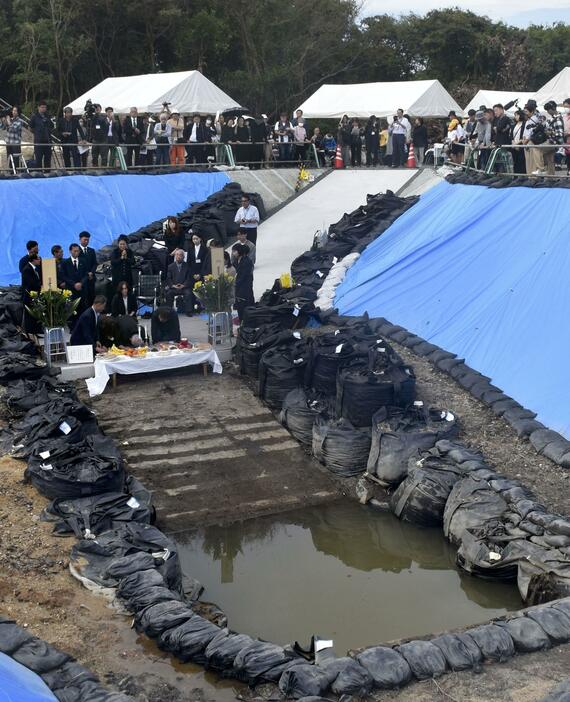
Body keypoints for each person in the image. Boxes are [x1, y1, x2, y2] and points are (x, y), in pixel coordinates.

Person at [61, 243, 88, 328]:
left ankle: (83, 326)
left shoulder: (83, 261)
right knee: (72, 309)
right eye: (75, 251)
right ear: (70, 251)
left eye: (78, 251)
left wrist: (81, 283)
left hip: (82, 290)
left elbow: (86, 274)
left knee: (82, 308)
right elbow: (63, 276)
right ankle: (73, 327)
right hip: (71, 290)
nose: (77, 252)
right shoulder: (66, 262)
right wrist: (73, 284)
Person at [165, 249, 193, 315]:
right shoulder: (170, 266)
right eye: (177, 255)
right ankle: (169, 311)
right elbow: (168, 278)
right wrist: (173, 285)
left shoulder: (187, 266)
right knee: (168, 293)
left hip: (184, 287)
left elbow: (189, 278)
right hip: (174, 287)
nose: (178, 256)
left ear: (183, 257)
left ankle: (188, 311)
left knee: (188, 293)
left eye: (180, 255)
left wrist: (184, 285)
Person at [21, 253, 42, 335]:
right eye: (38, 259)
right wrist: (41, 286)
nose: (40, 260)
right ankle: (30, 333)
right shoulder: (27, 269)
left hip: (35, 295)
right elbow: (31, 283)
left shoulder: (34, 268)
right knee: (29, 315)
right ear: (33, 260)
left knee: (35, 314)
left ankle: (36, 331)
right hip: (29, 296)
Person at [232, 243, 254, 323]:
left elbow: (244, 275)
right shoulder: (236, 261)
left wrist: (236, 282)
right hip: (238, 285)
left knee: (245, 303)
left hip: (245, 285)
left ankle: (247, 320)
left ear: (239, 251)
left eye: (234, 251)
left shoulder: (247, 261)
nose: (233, 253)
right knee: (239, 304)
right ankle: (241, 319)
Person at [29, 100, 53, 171]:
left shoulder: (48, 116)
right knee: (38, 159)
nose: (43, 109)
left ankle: (48, 173)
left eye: (45, 107)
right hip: (38, 141)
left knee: (47, 159)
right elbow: (30, 127)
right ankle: (38, 174)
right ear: (38, 107)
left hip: (47, 141)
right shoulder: (34, 117)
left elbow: (52, 126)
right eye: (42, 107)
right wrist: (36, 133)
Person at [523, 100, 545, 175]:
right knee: (528, 161)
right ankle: (529, 176)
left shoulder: (535, 117)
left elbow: (531, 132)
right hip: (525, 141)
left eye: (526, 110)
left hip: (530, 140)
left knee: (532, 161)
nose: (525, 113)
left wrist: (526, 140)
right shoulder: (529, 118)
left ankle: (533, 177)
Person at [543, 100, 564, 176]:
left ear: (553, 108)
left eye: (549, 110)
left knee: (537, 149)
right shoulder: (552, 119)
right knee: (550, 160)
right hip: (552, 141)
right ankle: (551, 177)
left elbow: (560, 133)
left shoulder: (558, 119)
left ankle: (540, 169)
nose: (548, 112)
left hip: (555, 142)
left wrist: (550, 132)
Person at [78, 231, 97, 305]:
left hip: (91, 278)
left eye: (88, 240)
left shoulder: (91, 251)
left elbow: (95, 263)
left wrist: (92, 272)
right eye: (85, 240)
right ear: (80, 239)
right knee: (83, 298)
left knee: (92, 296)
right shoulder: (77, 251)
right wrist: (87, 273)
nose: (86, 241)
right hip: (82, 278)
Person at [511, 109, 527, 174]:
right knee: (515, 161)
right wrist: (513, 142)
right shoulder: (514, 124)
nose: (516, 116)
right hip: (514, 145)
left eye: (517, 115)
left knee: (522, 161)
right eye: (515, 115)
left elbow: (524, 135)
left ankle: (522, 176)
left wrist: (517, 143)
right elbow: (511, 135)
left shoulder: (524, 124)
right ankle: (516, 175)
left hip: (520, 145)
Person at [563, 98, 570, 175]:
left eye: (567, 107)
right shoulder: (564, 117)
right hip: (566, 143)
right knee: (568, 160)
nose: (566, 109)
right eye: (565, 107)